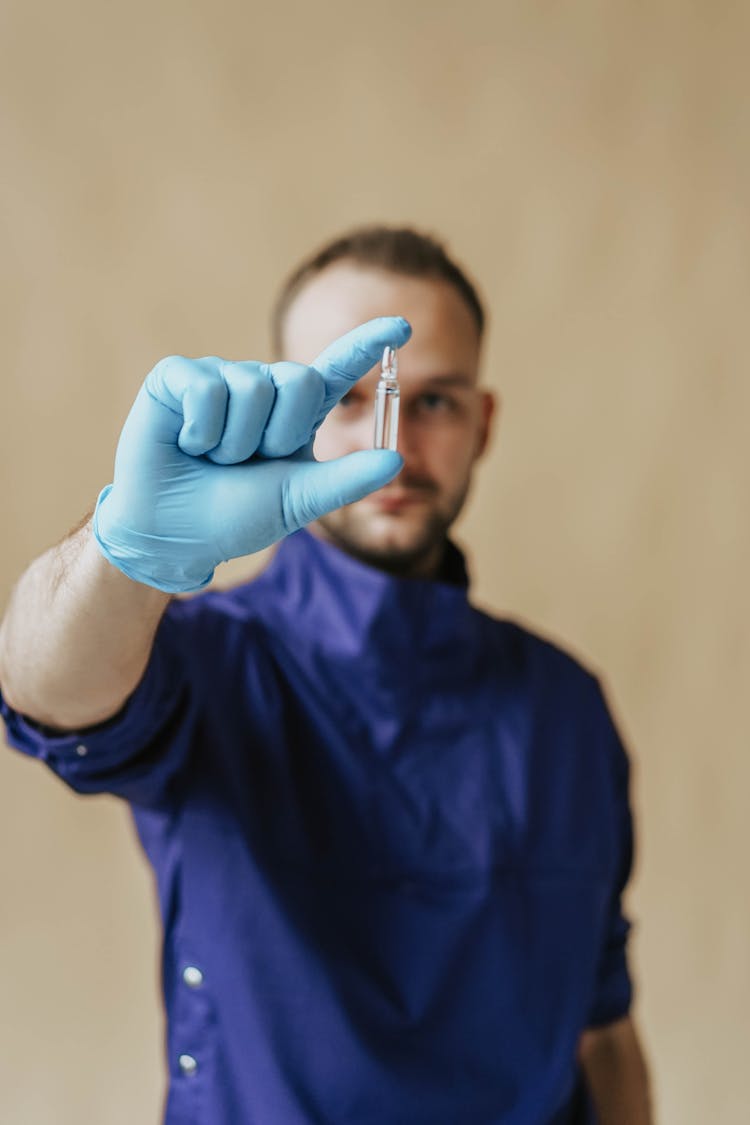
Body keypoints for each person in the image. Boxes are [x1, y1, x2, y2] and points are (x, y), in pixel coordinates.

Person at [0, 226, 652, 1124]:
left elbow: (604, 1030)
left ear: (484, 423)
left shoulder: (566, 708)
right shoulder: (208, 659)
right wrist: (130, 552)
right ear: (286, 412)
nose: (396, 440)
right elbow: (44, 691)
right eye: (344, 398)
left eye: (437, 402)